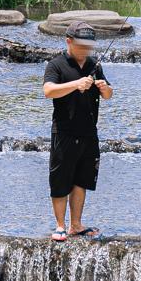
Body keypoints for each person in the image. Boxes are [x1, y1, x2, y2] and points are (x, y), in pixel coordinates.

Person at [41, 21, 114, 242]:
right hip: (64, 131)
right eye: (81, 45)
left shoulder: (94, 65)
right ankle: (60, 225)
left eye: (88, 46)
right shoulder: (56, 64)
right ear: (69, 42)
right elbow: (48, 91)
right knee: (61, 179)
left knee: (82, 180)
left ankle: (76, 224)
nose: (85, 50)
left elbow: (109, 95)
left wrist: (104, 88)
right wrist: (75, 84)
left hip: (89, 131)